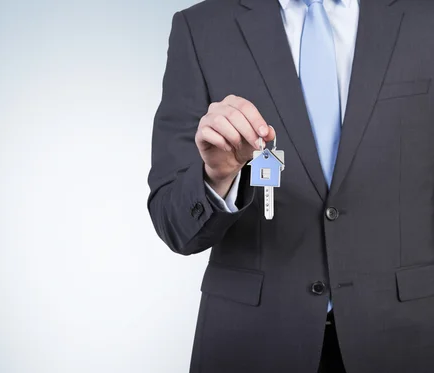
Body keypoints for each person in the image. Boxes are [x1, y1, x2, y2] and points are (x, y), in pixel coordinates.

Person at [146, 0, 434, 372]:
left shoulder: (423, 16)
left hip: (408, 339)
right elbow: (173, 223)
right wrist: (217, 177)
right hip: (252, 344)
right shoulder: (200, 28)